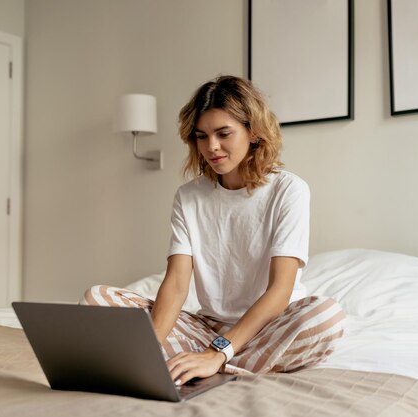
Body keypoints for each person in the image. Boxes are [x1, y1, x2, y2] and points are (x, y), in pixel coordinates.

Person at [81, 75, 345, 385]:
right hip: (205, 327)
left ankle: (213, 363)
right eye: (201, 136)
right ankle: (207, 362)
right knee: (97, 298)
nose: (211, 147)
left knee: (326, 316)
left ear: (254, 132)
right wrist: (148, 350)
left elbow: (280, 291)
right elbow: (177, 283)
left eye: (223, 134)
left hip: (269, 328)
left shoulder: (289, 191)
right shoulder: (189, 197)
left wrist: (218, 353)